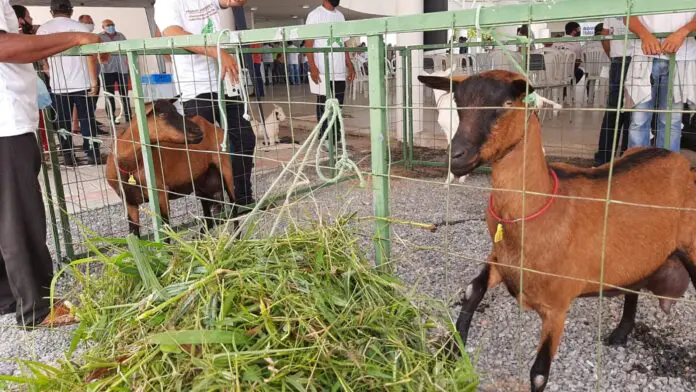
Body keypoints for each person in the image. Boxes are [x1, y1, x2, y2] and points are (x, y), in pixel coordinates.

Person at [0, 0, 99, 327]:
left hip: (9, 122)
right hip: (6, 125)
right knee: (20, 217)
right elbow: (3, 46)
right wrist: (74, 37)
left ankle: (8, 296)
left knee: (6, 214)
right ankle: (37, 309)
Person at [155, 0, 256, 208]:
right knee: (202, 151)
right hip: (195, 87)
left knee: (244, 139)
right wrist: (215, 52)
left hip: (225, 83)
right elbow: (173, 32)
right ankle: (211, 207)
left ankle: (243, 198)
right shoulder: (166, 3)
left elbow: (226, 2)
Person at [37, 1, 103, 166]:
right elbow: (91, 56)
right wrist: (94, 81)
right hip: (83, 82)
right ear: (71, 11)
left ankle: (68, 156)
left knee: (63, 122)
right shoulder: (82, 28)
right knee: (87, 119)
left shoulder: (44, 29)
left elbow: (39, 52)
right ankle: (92, 154)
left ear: (52, 12)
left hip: (59, 84)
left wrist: (46, 68)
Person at [626, 13, 696, 152]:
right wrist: (644, 35)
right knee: (639, 121)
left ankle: (667, 170)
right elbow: (627, 13)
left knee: (672, 122)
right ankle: (638, 169)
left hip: (681, 57)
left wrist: (682, 33)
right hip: (644, 54)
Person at [305, 0, 356, 150]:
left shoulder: (340, 16)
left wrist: (350, 64)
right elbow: (309, 43)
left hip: (339, 72)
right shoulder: (315, 15)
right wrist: (313, 66)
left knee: (338, 107)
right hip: (323, 71)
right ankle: (325, 139)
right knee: (324, 107)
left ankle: (337, 138)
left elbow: (344, 43)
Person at [594, 17, 634, 166]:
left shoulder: (612, 9)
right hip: (636, 58)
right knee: (633, 109)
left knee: (613, 110)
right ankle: (626, 156)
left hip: (618, 59)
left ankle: (603, 158)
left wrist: (612, 55)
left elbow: (604, 35)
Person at [98, 19, 131, 124]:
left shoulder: (121, 36)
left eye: (112, 25)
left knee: (124, 94)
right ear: (103, 27)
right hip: (107, 70)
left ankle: (128, 116)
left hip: (122, 69)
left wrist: (128, 66)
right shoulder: (99, 37)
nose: (110, 27)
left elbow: (128, 49)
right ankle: (112, 118)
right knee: (109, 94)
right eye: (108, 25)